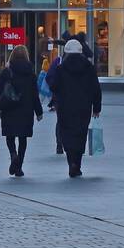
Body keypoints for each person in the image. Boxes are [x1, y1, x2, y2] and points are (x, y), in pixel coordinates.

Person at [46, 38, 101, 178]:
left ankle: (71, 162)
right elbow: (96, 88)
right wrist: (97, 107)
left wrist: (56, 98)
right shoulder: (89, 68)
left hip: (65, 106)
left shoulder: (61, 68)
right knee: (80, 134)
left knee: (67, 133)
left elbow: (53, 86)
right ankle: (78, 163)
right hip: (84, 107)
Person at [0, 44, 43, 178]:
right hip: (25, 110)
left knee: (10, 135)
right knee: (23, 138)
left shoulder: (6, 72)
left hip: (9, 109)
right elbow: (34, 94)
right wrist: (39, 111)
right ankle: (19, 166)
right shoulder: (31, 74)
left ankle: (12, 154)